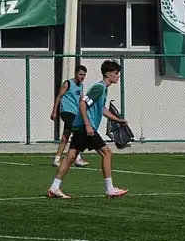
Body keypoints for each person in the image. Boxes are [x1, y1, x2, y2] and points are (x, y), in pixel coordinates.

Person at [47, 60, 129, 199]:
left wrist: (118, 120)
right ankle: (110, 189)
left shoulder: (103, 89)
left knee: (70, 157)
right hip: (85, 128)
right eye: (116, 73)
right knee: (107, 153)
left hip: (80, 127)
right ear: (107, 74)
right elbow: (83, 103)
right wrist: (88, 125)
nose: (118, 76)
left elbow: (102, 109)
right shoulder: (99, 88)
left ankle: (54, 188)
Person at [50, 65, 89, 168]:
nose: (82, 77)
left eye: (84, 75)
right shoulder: (68, 84)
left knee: (65, 136)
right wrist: (54, 111)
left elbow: (81, 100)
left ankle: (56, 159)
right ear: (76, 73)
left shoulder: (81, 86)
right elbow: (59, 97)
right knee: (78, 132)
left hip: (75, 113)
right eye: (80, 74)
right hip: (66, 112)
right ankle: (77, 158)